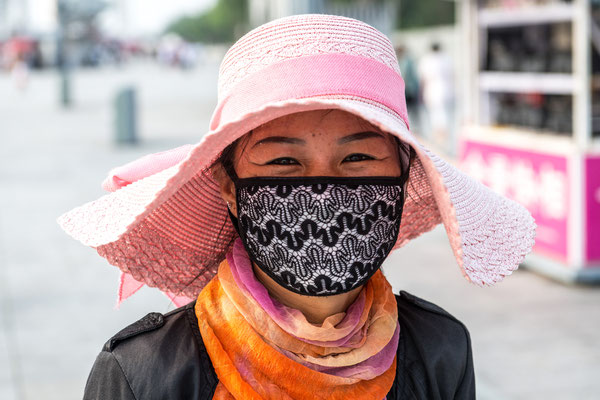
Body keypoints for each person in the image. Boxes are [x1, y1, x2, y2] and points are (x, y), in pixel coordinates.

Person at [58, 14, 536, 400]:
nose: (322, 191)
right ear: (229, 183)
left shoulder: (440, 350)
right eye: (284, 160)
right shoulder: (143, 376)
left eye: (358, 158)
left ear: (403, 173)